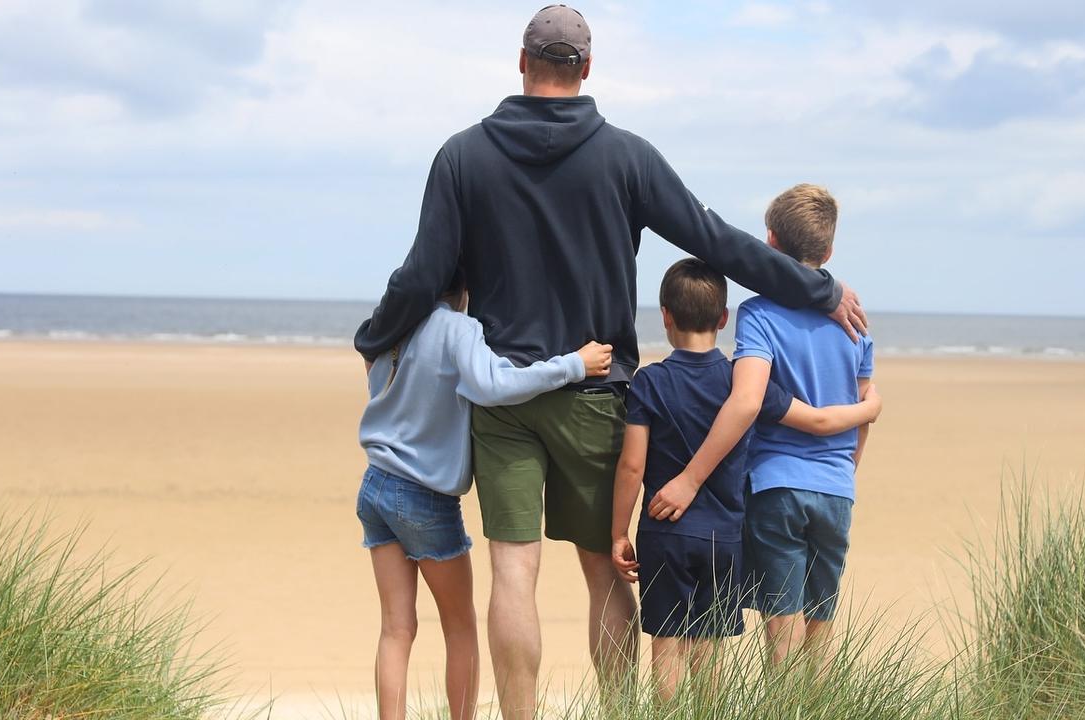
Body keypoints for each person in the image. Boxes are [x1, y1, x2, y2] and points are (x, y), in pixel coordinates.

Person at [353, 6, 868, 717]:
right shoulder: (625, 155)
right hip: (598, 391)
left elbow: (422, 278)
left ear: (522, 62)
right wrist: (819, 285)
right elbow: (717, 242)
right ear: (587, 69)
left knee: (513, 568)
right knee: (603, 571)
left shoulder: (463, 156)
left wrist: (376, 337)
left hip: (503, 400)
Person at [609, 259, 882, 702]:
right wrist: (868, 410)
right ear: (723, 319)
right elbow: (814, 419)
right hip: (725, 537)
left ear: (665, 315)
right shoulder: (743, 383)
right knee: (710, 651)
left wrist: (619, 531)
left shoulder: (650, 381)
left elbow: (632, 466)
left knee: (667, 646)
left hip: (664, 533)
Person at [355, 266, 613, 720]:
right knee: (460, 628)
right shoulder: (457, 328)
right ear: (466, 287)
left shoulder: (394, 325)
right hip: (425, 497)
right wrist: (573, 365)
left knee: (396, 629)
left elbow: (374, 374)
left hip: (375, 484)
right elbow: (493, 385)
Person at [647, 185, 874, 667]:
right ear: (829, 250)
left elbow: (747, 401)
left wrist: (690, 479)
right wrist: (844, 472)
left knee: (782, 629)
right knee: (821, 624)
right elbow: (863, 411)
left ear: (768, 244)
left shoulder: (758, 315)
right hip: (837, 488)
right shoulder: (854, 322)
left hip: (776, 487)